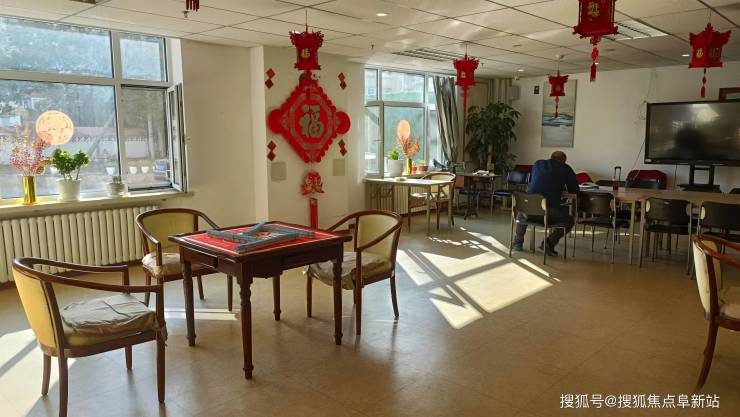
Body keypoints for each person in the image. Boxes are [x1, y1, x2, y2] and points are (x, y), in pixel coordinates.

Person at [512, 151, 578, 255]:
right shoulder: (566, 168)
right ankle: (548, 243)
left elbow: (535, 182)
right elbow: (574, 190)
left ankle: (517, 243)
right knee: (569, 220)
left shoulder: (538, 163)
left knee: (522, 213)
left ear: (551, 157)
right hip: (548, 213)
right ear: (563, 161)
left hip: (529, 211)